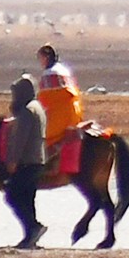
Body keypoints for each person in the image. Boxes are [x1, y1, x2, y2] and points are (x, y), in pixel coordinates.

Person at [0, 75, 49, 248]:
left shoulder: (27, 111)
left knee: (12, 195)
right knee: (28, 199)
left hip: (28, 161)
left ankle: (34, 227)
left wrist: (12, 161)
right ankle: (30, 238)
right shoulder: (38, 107)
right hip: (38, 160)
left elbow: (21, 139)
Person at [32, 44, 89, 181]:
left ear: (46, 57)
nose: (40, 62)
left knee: (39, 136)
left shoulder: (49, 74)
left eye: (40, 58)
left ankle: (45, 165)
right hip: (74, 113)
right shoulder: (64, 70)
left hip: (62, 115)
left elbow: (44, 99)